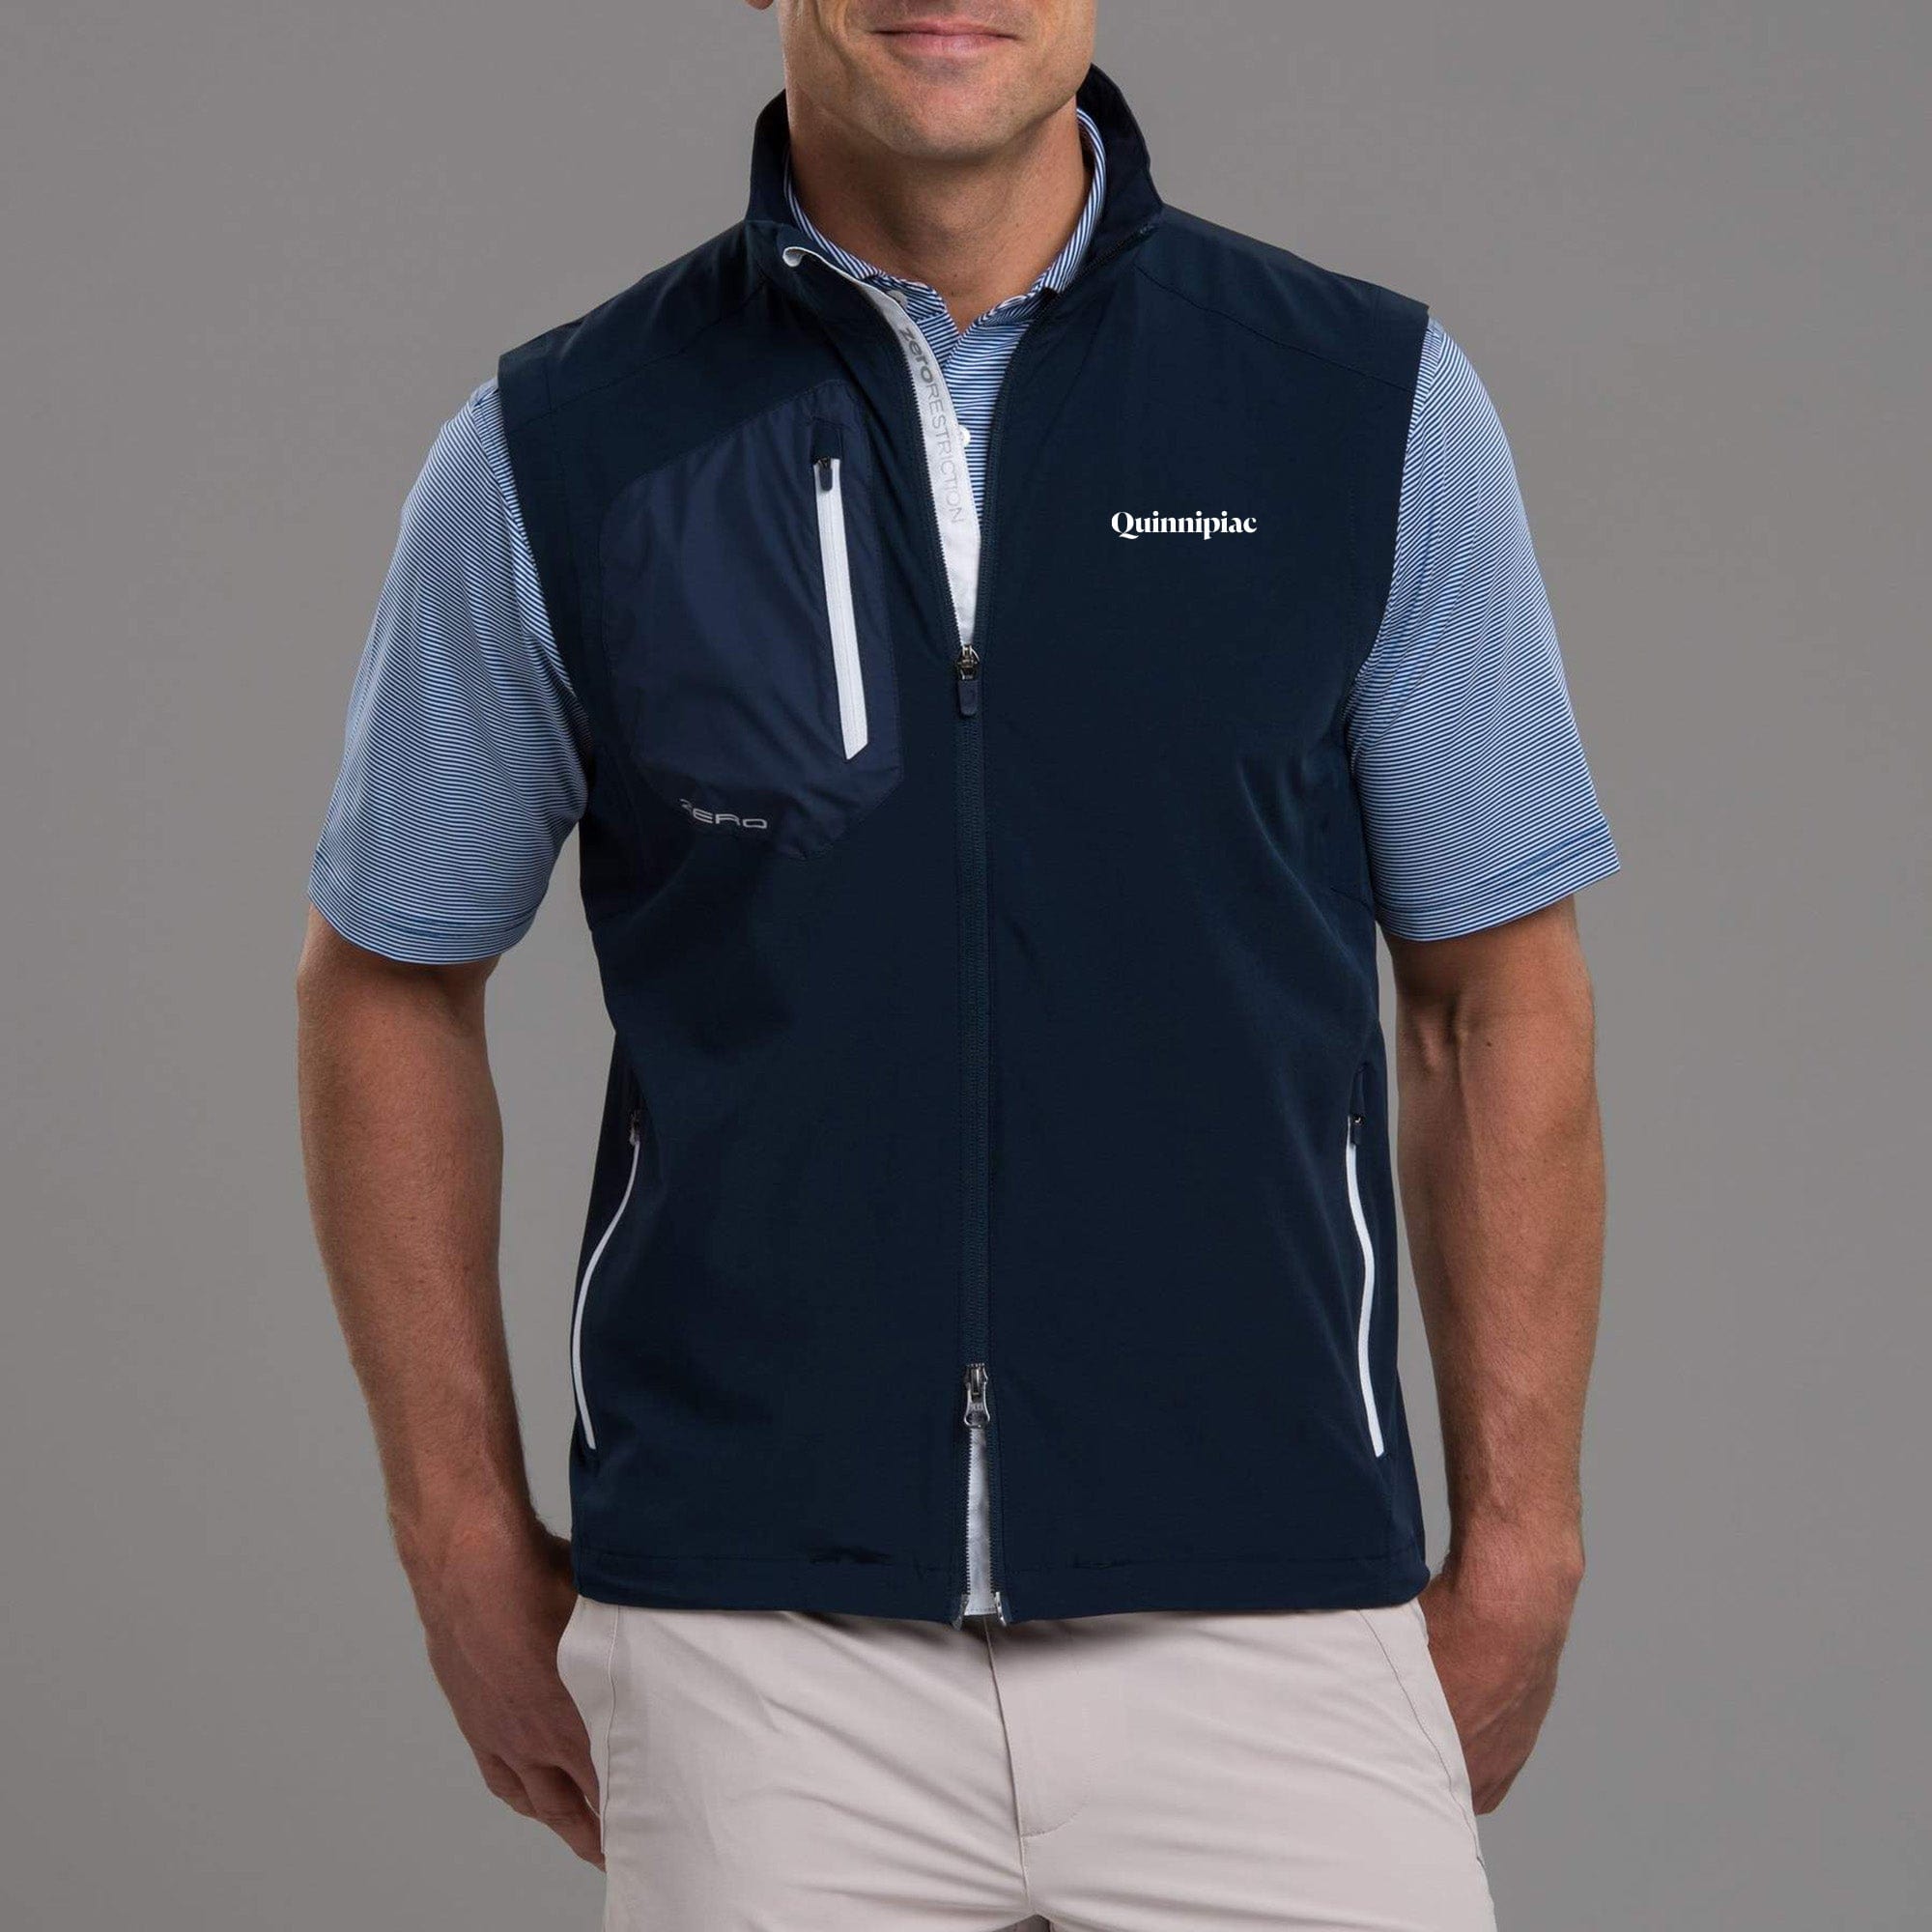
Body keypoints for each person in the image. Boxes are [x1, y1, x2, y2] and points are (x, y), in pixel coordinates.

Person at [297, 4, 1617, 1926]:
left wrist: (1524, 1540)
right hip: (757, 1657)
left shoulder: (1360, 406)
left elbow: (1493, 1000)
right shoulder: (564, 449)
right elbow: (386, 983)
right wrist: (453, 1529)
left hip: (1272, 1622)